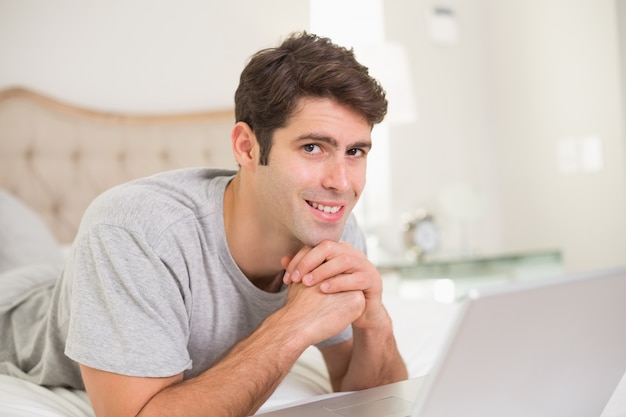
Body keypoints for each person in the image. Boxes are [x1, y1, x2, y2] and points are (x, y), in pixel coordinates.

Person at [0, 31, 408, 416]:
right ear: (247, 147)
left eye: (355, 151)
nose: (340, 183)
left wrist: (375, 323)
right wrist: (292, 324)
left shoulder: (327, 223)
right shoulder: (133, 232)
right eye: (313, 147)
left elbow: (370, 395)